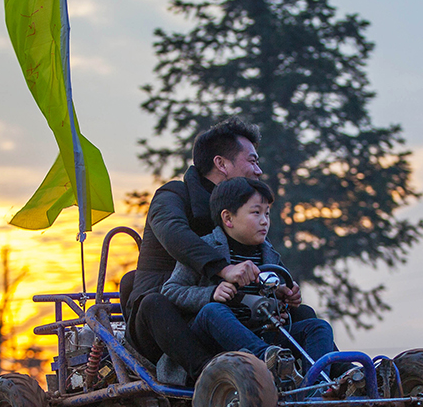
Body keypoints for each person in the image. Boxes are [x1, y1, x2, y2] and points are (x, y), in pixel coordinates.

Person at [125, 117, 299, 380]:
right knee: (154, 303)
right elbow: (174, 233)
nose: (259, 171)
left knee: (302, 313)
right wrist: (223, 269)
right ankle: (210, 377)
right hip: (166, 326)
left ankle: (335, 374)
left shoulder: (244, 214)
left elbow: (261, 255)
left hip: (227, 316)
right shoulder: (172, 195)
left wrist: (283, 288)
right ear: (221, 164)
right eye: (252, 161)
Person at [160, 177, 337, 378]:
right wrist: (211, 293)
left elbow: (278, 300)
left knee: (318, 327)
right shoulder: (205, 248)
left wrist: (287, 297)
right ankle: (269, 362)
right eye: (256, 213)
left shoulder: (269, 254)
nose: (264, 221)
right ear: (228, 218)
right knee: (213, 311)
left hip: (258, 335)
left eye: (267, 214)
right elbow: (170, 291)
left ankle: (315, 390)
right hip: (211, 341)